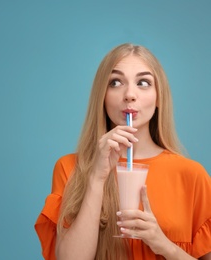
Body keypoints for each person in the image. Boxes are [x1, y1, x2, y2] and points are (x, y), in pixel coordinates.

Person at [34, 43, 211, 260]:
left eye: (143, 83)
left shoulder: (192, 175)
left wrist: (164, 244)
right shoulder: (70, 168)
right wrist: (97, 178)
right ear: (103, 96)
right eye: (115, 82)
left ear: (158, 98)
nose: (129, 95)